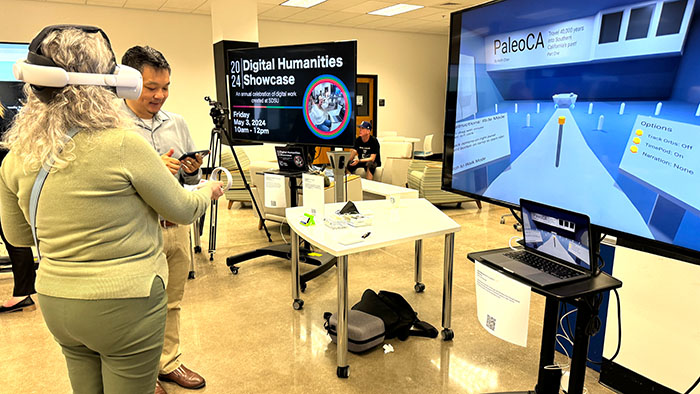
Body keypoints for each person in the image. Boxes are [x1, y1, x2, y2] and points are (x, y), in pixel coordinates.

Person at [0, 25, 224, 393]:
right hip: (126, 304)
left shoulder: (18, 156)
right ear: (112, 83)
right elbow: (183, 208)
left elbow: (18, 236)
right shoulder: (122, 144)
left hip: (58, 303)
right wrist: (210, 189)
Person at [120, 45, 206, 394]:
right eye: (151, 86)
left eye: (165, 87)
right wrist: (152, 167)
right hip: (135, 232)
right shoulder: (111, 127)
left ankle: (169, 363)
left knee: (172, 302)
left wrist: (191, 172)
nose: (159, 95)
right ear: (127, 83)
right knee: (137, 309)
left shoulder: (178, 123)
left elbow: (192, 185)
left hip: (175, 229)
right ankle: (141, 375)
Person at [0, 102, 37, 314]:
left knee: (12, 237)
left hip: (4, 180)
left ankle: (23, 293)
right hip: (9, 178)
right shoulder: (6, 113)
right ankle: (23, 291)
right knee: (12, 237)